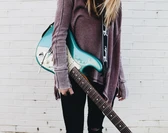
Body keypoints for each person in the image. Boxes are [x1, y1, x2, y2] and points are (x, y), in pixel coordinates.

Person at [51, 0, 128, 133]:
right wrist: (62, 79)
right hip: (74, 75)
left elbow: (114, 45)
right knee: (74, 129)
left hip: (104, 78)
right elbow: (58, 35)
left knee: (96, 129)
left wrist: (119, 79)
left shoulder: (114, 3)